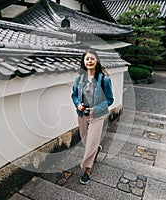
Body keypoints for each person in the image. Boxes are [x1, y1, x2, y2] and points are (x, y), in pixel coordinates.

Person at [71, 49, 114, 185]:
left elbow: (110, 99)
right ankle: (96, 150)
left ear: (97, 61)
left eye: (92, 59)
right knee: (85, 140)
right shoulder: (79, 78)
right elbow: (74, 95)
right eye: (87, 59)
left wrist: (96, 109)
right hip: (82, 116)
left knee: (90, 144)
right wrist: (78, 104)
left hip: (97, 116)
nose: (89, 61)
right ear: (83, 62)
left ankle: (87, 170)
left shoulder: (104, 80)